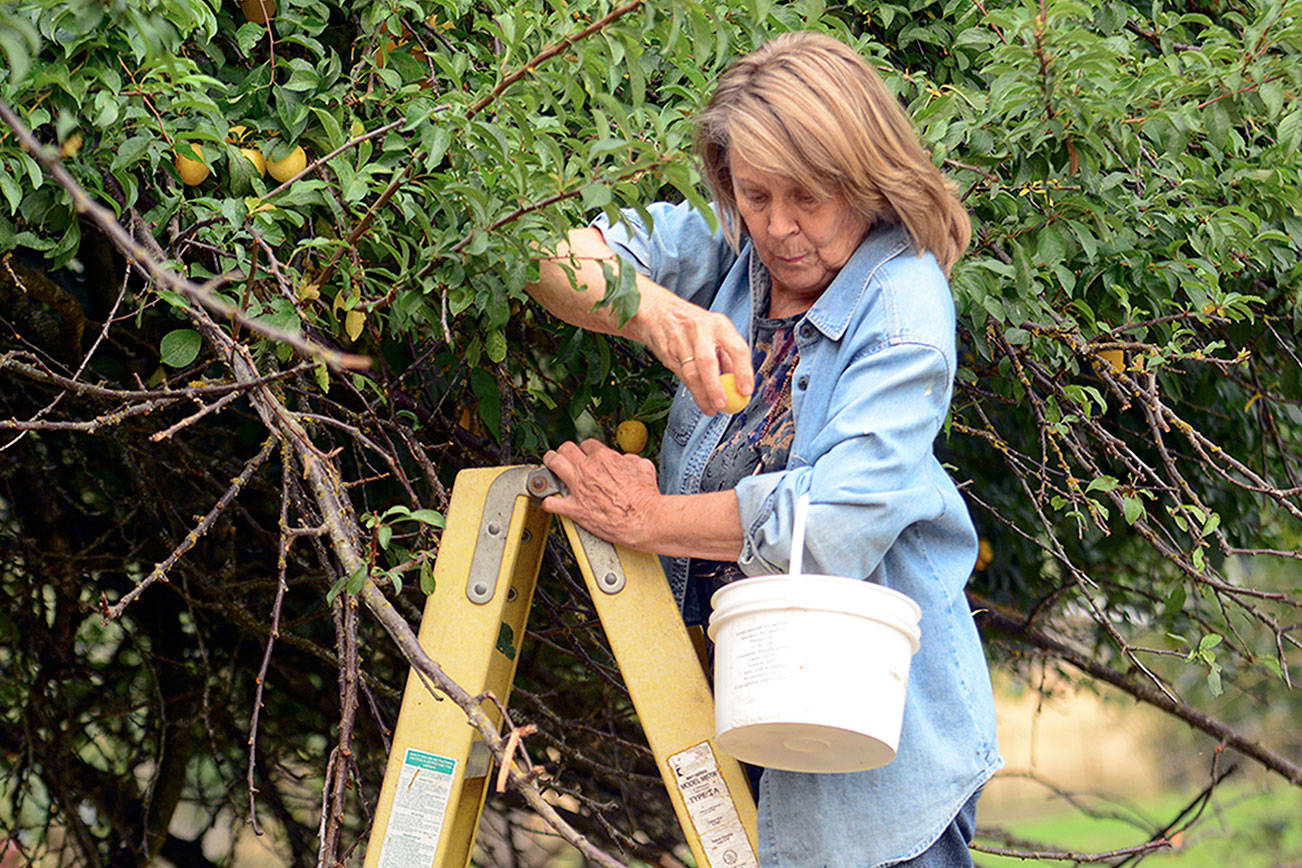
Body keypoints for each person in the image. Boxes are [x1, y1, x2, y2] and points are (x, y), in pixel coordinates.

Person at [526, 31, 1001, 868]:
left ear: (867, 179)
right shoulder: (739, 241)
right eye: (754, 193)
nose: (778, 228)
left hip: (869, 754)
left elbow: (833, 526)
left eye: (807, 198)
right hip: (748, 715)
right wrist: (656, 314)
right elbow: (541, 255)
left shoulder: (903, 309)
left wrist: (649, 517)